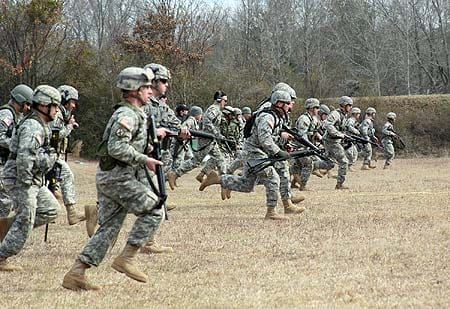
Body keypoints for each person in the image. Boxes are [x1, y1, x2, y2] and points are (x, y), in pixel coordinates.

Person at [62, 67, 164, 291]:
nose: (150, 91)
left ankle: (76, 273)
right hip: (118, 177)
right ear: (134, 90)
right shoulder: (126, 114)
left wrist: (150, 141)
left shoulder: (135, 113)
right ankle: (127, 258)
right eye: (146, 87)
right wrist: (143, 159)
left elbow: (130, 144)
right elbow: (116, 147)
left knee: (108, 228)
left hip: (112, 176)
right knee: (155, 210)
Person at [199, 90, 305, 220]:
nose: (290, 106)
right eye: (288, 103)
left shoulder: (276, 116)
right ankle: (271, 212)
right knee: (273, 178)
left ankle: (217, 179)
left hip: (255, 153)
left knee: (247, 184)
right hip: (254, 153)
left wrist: (283, 143)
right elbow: (265, 139)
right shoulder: (268, 117)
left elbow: (272, 137)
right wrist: (278, 152)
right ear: (279, 103)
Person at [0, 85, 62, 271]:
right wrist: (26, 185)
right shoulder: (33, 126)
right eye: (55, 106)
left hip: (32, 180)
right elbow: (25, 158)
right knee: (26, 217)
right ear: (44, 106)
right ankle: (1, 257)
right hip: (21, 179)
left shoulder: (41, 125)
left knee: (51, 209)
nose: (57, 110)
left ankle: (6, 226)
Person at [167, 91, 228, 189]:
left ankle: (225, 183)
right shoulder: (214, 109)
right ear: (219, 100)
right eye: (225, 100)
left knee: (220, 159)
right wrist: (216, 134)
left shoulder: (217, 110)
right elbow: (207, 121)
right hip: (206, 140)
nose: (226, 103)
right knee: (195, 161)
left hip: (211, 140)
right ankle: (174, 174)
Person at [47, 85, 86, 225]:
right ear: (64, 100)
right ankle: (72, 213)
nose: (74, 105)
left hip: (54, 155)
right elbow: (55, 135)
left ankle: (48, 211)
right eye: (72, 101)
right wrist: (69, 126)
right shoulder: (57, 115)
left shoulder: (61, 114)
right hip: (48, 155)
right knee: (67, 175)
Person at [0, 84, 33, 217]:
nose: (28, 108)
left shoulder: (16, 115)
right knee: (4, 201)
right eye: (26, 104)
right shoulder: (6, 114)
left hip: (5, 161)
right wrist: (18, 145)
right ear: (19, 101)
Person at [322, 96, 353, 189]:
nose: (351, 107)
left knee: (329, 163)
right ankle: (339, 184)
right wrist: (338, 134)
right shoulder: (336, 114)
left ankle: (308, 165)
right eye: (349, 105)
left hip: (334, 141)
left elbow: (343, 128)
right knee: (344, 161)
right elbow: (327, 124)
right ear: (344, 105)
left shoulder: (344, 115)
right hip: (331, 141)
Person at [291, 98, 321, 191]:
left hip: (308, 146)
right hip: (300, 147)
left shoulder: (314, 119)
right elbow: (302, 136)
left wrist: (320, 138)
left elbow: (315, 132)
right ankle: (303, 186)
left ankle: (293, 183)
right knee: (308, 163)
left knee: (297, 167)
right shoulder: (304, 119)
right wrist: (310, 147)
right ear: (311, 108)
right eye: (317, 107)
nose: (318, 109)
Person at [344, 107, 361, 172]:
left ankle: (350, 166)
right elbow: (349, 127)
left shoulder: (354, 121)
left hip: (351, 139)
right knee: (349, 153)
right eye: (358, 114)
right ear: (355, 114)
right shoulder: (350, 120)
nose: (359, 115)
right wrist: (356, 131)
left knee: (354, 153)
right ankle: (347, 166)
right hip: (348, 139)